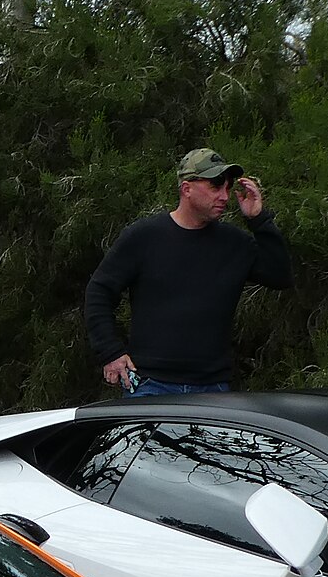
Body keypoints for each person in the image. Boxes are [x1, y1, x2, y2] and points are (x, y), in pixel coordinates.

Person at [83, 147, 292, 397]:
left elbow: (280, 276)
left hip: (213, 389)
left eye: (227, 187)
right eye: (215, 186)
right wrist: (111, 352)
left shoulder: (234, 243)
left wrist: (259, 220)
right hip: (150, 385)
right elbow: (99, 292)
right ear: (187, 189)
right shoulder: (144, 237)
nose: (224, 196)